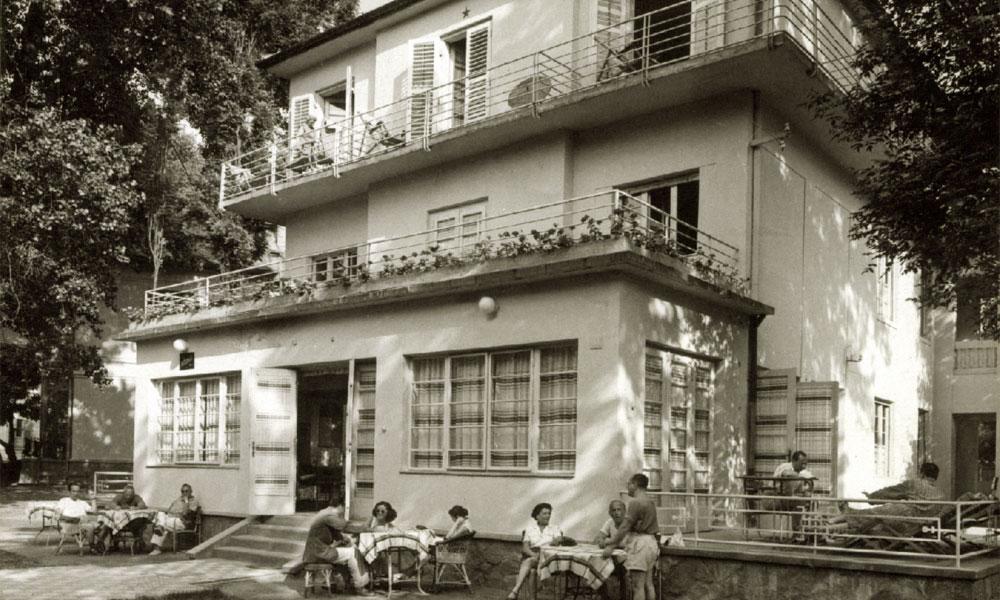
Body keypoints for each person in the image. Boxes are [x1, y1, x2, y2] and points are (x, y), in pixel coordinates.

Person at [830, 462, 946, 534]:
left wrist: (872, 497)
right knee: (872, 517)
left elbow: (891, 492)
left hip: (901, 516)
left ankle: (834, 521)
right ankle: (838, 521)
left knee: (871, 515)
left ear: (922, 474)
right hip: (915, 525)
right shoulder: (941, 496)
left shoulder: (915, 484)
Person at [602, 474, 659, 600]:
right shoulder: (650, 502)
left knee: (637, 586)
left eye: (629, 484)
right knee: (648, 584)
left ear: (635, 484)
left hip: (640, 544)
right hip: (651, 543)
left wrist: (611, 546)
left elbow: (624, 527)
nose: (627, 487)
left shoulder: (635, 502)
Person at [302, 495, 372, 596]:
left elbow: (334, 531)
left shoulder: (323, 513)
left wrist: (343, 539)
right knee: (354, 552)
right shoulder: (329, 515)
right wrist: (366, 528)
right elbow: (346, 526)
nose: (343, 511)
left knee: (347, 552)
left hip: (314, 553)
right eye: (344, 508)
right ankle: (360, 587)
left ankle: (341, 584)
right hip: (320, 553)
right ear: (340, 506)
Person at [507, 502, 564, 600]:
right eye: (544, 513)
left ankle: (515, 591)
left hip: (547, 556)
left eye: (549, 513)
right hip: (533, 554)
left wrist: (556, 541)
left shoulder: (554, 528)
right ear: (537, 516)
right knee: (532, 571)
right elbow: (525, 548)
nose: (548, 516)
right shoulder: (529, 529)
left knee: (529, 563)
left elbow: (559, 540)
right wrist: (534, 555)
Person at [769, 450, 815, 536]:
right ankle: (797, 533)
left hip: (788, 499)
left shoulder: (800, 471)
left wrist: (808, 484)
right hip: (774, 498)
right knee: (799, 504)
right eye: (802, 463)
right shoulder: (785, 467)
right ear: (794, 461)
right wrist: (802, 476)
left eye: (805, 464)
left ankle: (808, 531)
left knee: (811, 501)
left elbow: (800, 488)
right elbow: (786, 474)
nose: (804, 466)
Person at [149, 483, 201, 555]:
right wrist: (171, 514)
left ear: (191, 491)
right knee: (161, 514)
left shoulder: (194, 501)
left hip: (183, 522)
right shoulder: (178, 500)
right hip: (172, 519)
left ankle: (157, 548)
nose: (184, 493)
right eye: (182, 491)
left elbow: (185, 514)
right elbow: (169, 511)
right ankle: (160, 527)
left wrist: (186, 501)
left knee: (161, 524)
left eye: (186, 491)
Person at [56, 482, 98, 547]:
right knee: (90, 527)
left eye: (77, 491)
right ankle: (92, 546)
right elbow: (58, 515)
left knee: (102, 526)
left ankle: (102, 546)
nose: (76, 493)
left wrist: (93, 499)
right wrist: (77, 519)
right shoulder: (64, 501)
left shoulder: (82, 502)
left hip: (83, 524)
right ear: (69, 492)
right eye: (73, 491)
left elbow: (94, 511)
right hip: (69, 525)